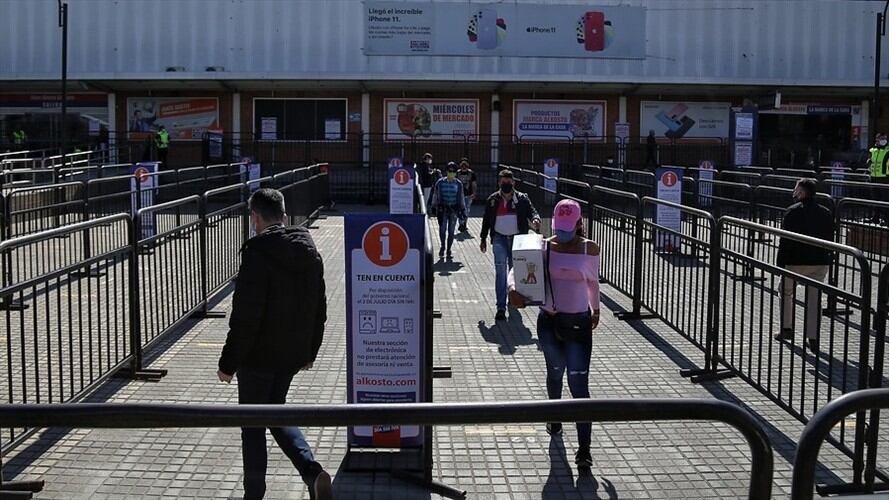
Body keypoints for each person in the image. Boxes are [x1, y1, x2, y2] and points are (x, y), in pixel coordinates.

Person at [217, 188, 332, 500]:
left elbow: (245, 318)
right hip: (291, 354)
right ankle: (312, 471)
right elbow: (319, 306)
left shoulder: (257, 254)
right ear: (283, 214)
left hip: (257, 358)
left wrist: (228, 363)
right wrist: (310, 350)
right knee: (276, 412)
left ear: (255, 217)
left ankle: (254, 495)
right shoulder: (309, 250)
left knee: (252, 425)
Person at [507, 199, 600, 468]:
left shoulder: (589, 248)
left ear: (580, 223)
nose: (563, 232)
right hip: (549, 321)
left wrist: (595, 310)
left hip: (578, 324)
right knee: (555, 372)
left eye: (568, 227)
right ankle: (554, 415)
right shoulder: (542, 246)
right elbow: (517, 269)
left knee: (579, 384)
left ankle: (584, 449)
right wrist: (512, 289)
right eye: (559, 226)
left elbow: (593, 283)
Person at [774, 178, 835, 352]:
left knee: (785, 291)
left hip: (795, 261)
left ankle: (786, 328)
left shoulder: (792, 212)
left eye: (796, 189)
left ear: (801, 193)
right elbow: (831, 236)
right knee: (814, 299)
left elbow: (785, 241)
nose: (793, 192)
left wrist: (780, 263)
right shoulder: (825, 212)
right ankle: (813, 338)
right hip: (819, 262)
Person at [480, 169, 541, 321]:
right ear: (499, 183)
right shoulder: (493, 200)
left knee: (515, 272)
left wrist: (535, 219)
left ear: (513, 182)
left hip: (517, 240)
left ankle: (513, 300)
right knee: (501, 271)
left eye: (509, 182)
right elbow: (486, 219)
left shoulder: (522, 199)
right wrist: (483, 238)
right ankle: (500, 306)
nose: (506, 185)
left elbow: (532, 211)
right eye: (503, 182)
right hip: (499, 238)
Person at [431, 162, 466, 260]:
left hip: (454, 210)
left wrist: (463, 211)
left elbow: (461, 197)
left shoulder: (458, 184)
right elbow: (435, 194)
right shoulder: (440, 182)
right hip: (443, 210)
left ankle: (449, 249)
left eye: (453, 171)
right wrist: (434, 206)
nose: (451, 173)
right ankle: (442, 246)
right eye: (450, 171)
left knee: (451, 231)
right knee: (442, 229)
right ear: (446, 171)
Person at [455, 158, 477, 233]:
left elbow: (474, 184)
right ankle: (462, 223)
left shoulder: (471, 173)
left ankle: (464, 223)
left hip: (468, 194)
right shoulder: (457, 173)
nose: (464, 167)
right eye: (462, 166)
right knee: (461, 209)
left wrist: (474, 193)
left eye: (465, 166)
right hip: (460, 194)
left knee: (466, 210)